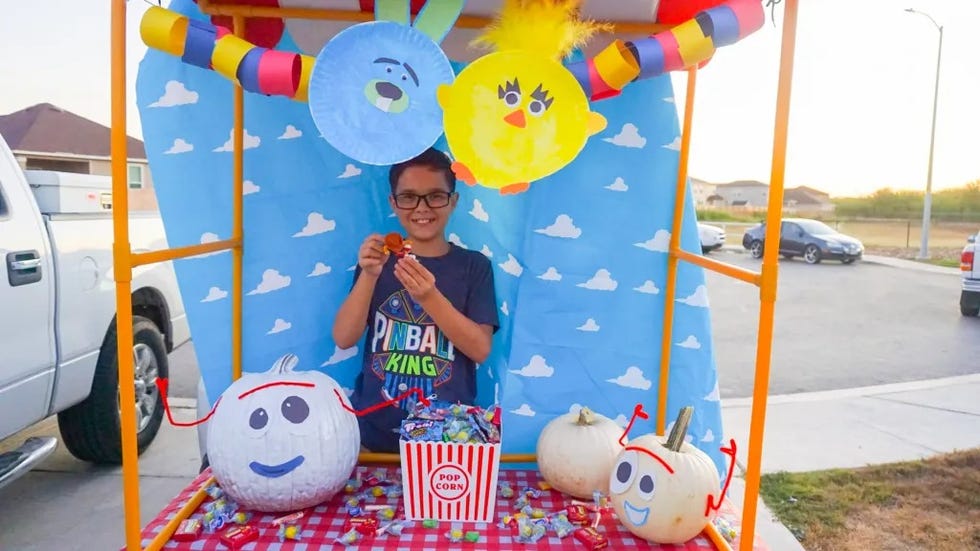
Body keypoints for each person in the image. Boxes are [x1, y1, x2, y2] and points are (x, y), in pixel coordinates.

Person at [332, 147, 499, 453]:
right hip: (372, 437)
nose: (422, 207)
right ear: (393, 203)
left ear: (454, 201)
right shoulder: (376, 263)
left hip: (448, 438)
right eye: (408, 197)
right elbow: (344, 338)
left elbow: (480, 349)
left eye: (435, 195)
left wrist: (430, 297)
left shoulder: (474, 267)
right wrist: (369, 275)